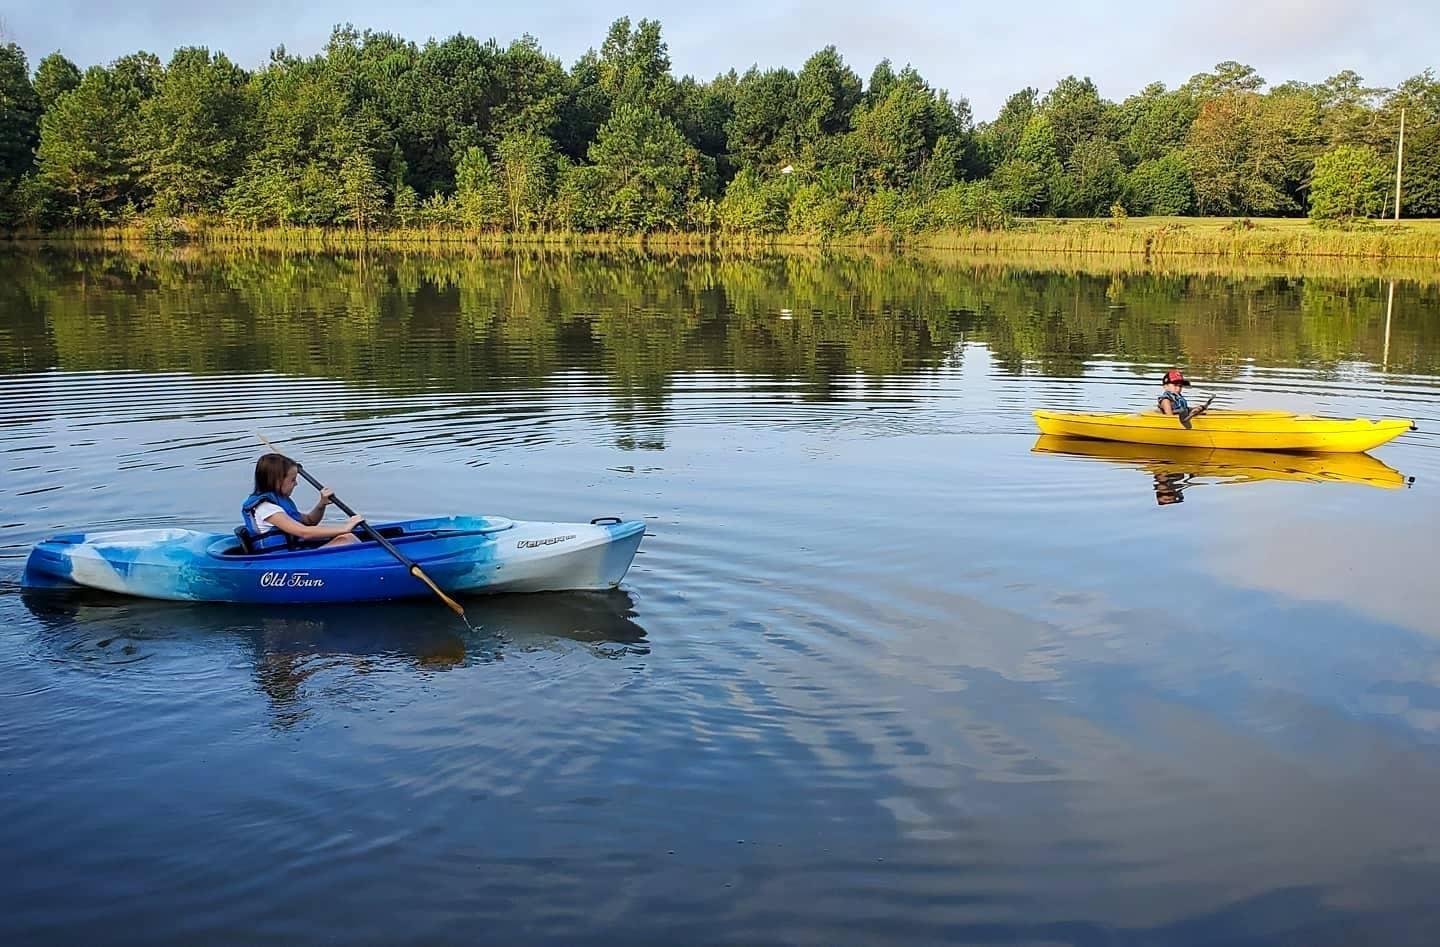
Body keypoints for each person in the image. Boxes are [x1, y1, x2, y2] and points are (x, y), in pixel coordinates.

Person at [241, 453, 362, 551]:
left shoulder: (278, 503)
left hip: (296, 553)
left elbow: (310, 521)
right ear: (277, 481)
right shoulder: (267, 509)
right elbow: (304, 532)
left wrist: (322, 504)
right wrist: (345, 528)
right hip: (282, 562)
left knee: (347, 538)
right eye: (293, 480)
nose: (296, 483)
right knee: (347, 538)